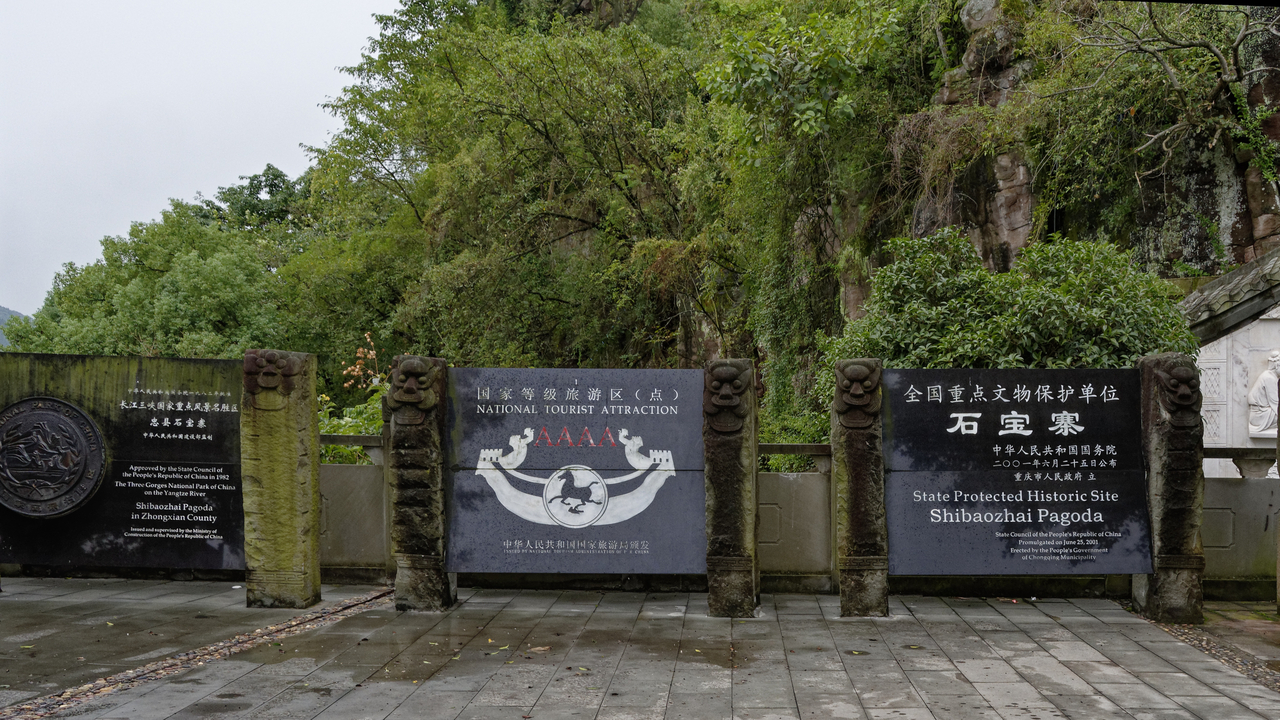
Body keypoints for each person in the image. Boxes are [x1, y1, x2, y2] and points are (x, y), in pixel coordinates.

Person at [1248, 351, 1280, 435]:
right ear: (1276, 366)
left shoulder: (1271, 376)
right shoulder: (1269, 378)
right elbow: (1275, 403)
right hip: (1260, 416)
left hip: (1265, 412)